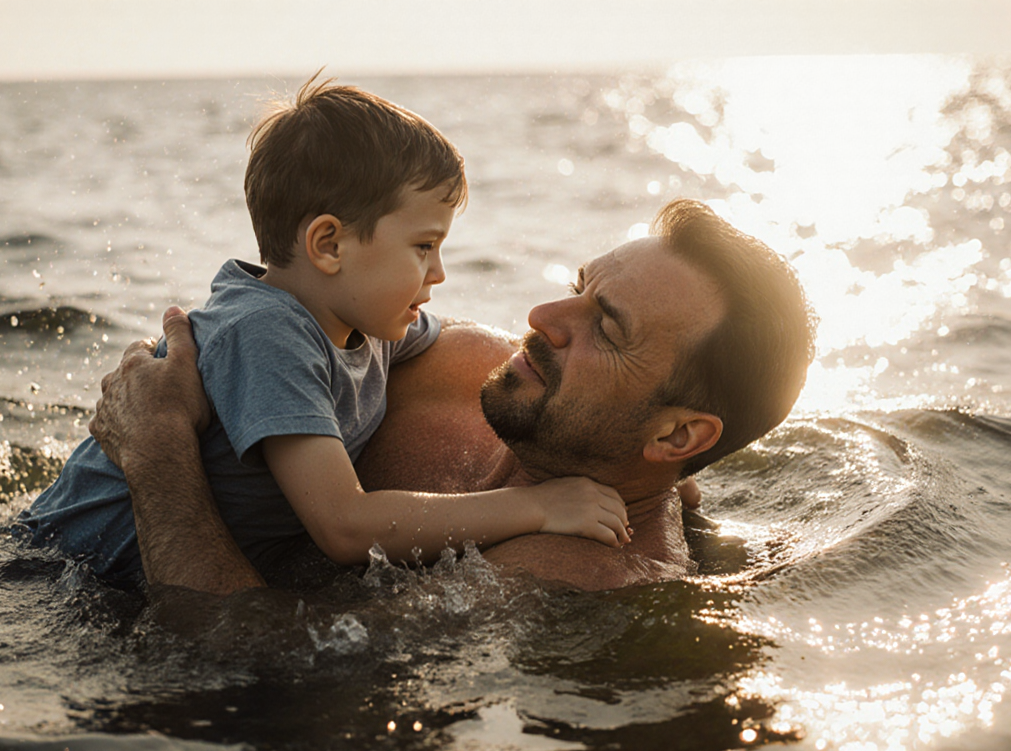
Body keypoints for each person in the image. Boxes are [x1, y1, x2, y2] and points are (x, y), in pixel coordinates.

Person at [18, 77, 632, 588]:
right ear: (329, 244)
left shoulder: (365, 317)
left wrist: (624, 442)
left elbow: (489, 356)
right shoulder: (267, 334)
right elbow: (345, 526)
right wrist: (540, 507)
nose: (439, 273)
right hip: (49, 568)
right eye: (423, 246)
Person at [87, 199, 817, 594]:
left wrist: (156, 451)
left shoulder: (566, 579)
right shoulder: (468, 364)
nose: (541, 321)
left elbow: (240, 670)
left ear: (679, 438)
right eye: (577, 289)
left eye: (608, 326)